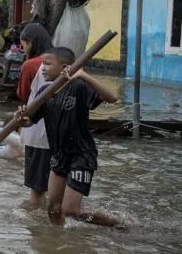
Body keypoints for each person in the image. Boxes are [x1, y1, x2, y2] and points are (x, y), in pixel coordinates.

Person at [19, 48, 124, 228]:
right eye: (43, 63)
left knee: (71, 211)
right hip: (59, 155)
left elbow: (112, 97)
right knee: (53, 208)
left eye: (48, 63)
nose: (43, 68)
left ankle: (115, 223)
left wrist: (83, 76)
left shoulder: (79, 87)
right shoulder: (45, 92)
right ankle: (60, 242)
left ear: (65, 67)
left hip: (81, 155)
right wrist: (22, 118)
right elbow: (30, 122)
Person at [17, 22, 54, 208]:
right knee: (54, 186)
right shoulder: (61, 61)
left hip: (37, 131)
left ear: (29, 42)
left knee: (36, 189)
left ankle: (36, 232)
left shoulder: (31, 65)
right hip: (59, 132)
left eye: (22, 44)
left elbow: (23, 95)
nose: (21, 49)